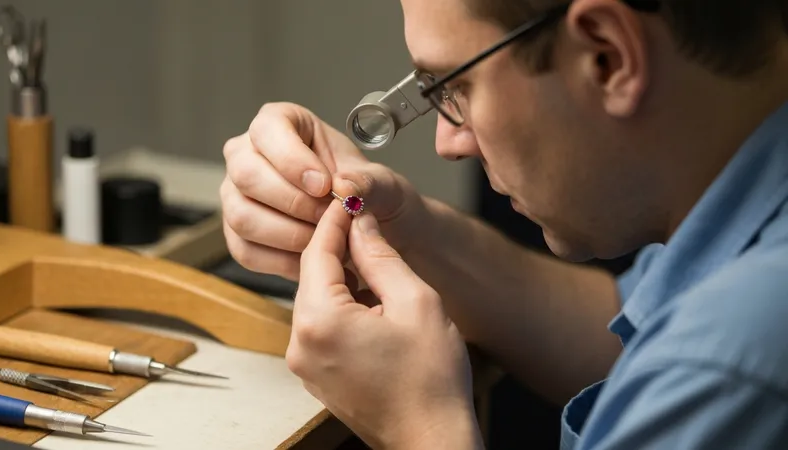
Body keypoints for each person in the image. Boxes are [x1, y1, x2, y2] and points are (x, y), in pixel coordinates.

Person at [220, 0, 788, 448]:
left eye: (456, 85)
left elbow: (696, 358)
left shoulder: (729, 364)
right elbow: (623, 326)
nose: (449, 143)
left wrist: (419, 429)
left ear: (607, 56)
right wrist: (410, 234)